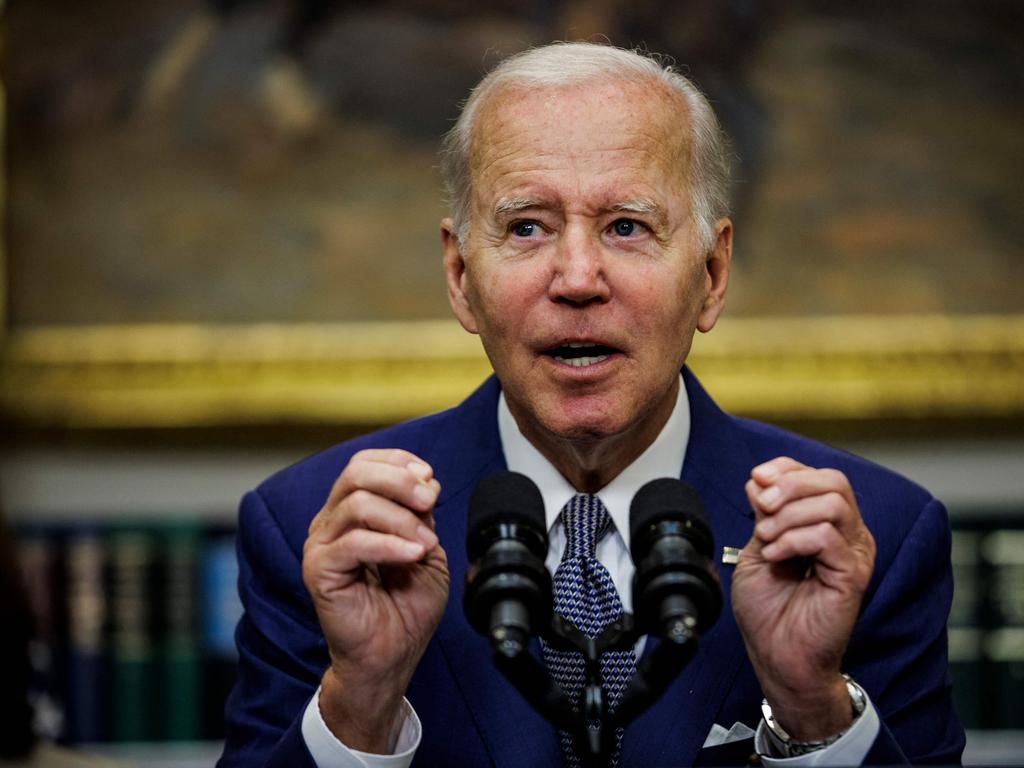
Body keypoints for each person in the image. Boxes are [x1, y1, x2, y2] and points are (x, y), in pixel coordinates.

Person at [218, 42, 964, 767]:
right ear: (459, 277)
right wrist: (361, 702)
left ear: (711, 274)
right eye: (528, 227)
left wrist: (812, 709)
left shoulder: (873, 537)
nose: (577, 278)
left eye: (627, 227)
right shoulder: (316, 530)